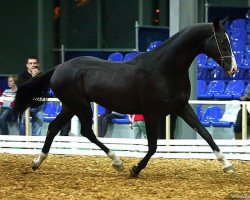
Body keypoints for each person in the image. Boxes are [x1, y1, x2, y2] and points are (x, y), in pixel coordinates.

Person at [17, 56, 44, 136]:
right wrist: (32, 77)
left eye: (35, 63)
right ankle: (23, 143)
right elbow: (22, 89)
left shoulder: (41, 75)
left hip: (37, 105)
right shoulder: (22, 75)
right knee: (22, 127)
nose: (33, 65)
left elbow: (42, 89)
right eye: (30, 63)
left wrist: (37, 77)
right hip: (25, 105)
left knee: (38, 127)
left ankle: (35, 146)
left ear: (38, 64)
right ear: (27, 65)